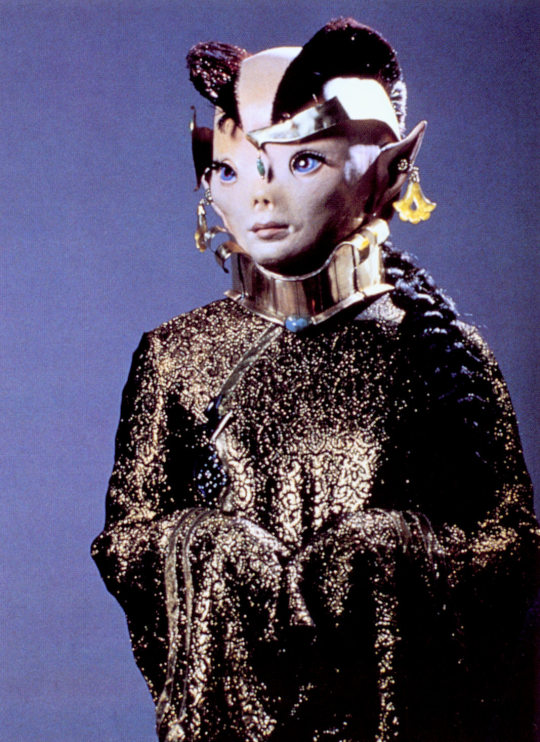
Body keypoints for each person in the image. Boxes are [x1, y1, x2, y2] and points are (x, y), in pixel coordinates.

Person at [92, 18, 539, 742]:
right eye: (232, 170)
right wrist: (209, 550)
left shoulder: (439, 350)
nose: (260, 197)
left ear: (389, 173)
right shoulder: (176, 354)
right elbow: (125, 538)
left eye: (302, 162)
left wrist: (389, 553)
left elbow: (510, 546)